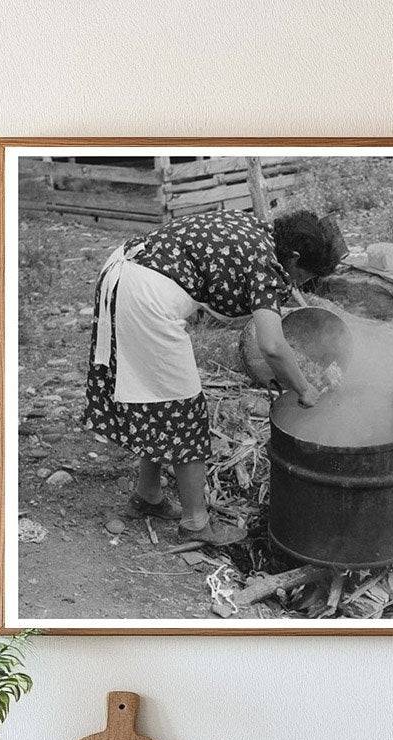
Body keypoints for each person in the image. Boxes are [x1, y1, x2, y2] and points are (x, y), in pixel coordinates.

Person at [83, 208, 347, 545]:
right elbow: (273, 347)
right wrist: (305, 389)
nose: (301, 283)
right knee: (184, 409)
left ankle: (147, 495)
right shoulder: (266, 267)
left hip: (125, 272)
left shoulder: (262, 232)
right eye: (304, 274)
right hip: (146, 296)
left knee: (155, 395)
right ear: (294, 256)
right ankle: (195, 523)